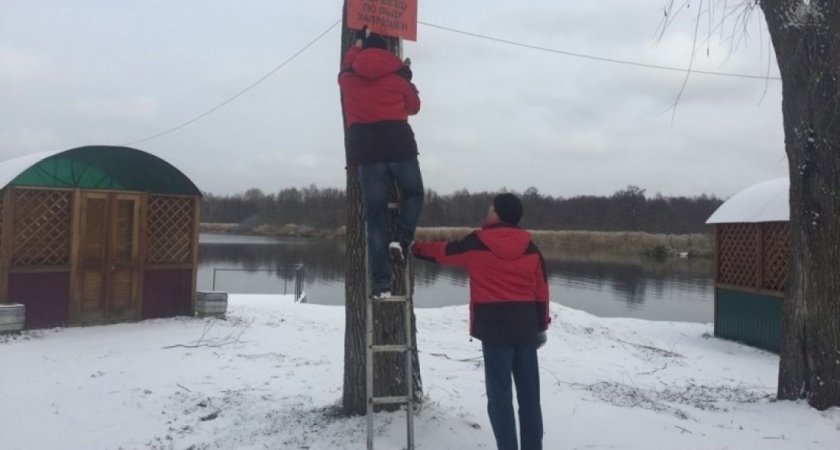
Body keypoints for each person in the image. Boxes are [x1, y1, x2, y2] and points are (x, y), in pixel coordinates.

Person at [412, 193, 550, 450]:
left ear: (497, 213)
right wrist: (541, 326)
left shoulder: (477, 244)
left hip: (494, 330)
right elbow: (541, 291)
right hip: (525, 329)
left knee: (499, 399)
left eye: (491, 207)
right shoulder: (531, 248)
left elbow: (443, 252)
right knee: (530, 397)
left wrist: (415, 247)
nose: (488, 210)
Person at [339, 28, 424, 299]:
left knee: (374, 218)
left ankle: (381, 286)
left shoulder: (348, 78)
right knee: (414, 194)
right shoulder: (398, 77)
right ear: (387, 53)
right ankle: (401, 241)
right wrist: (408, 81)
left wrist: (357, 44)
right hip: (399, 145)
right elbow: (414, 107)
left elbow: (347, 64)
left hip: (367, 151)